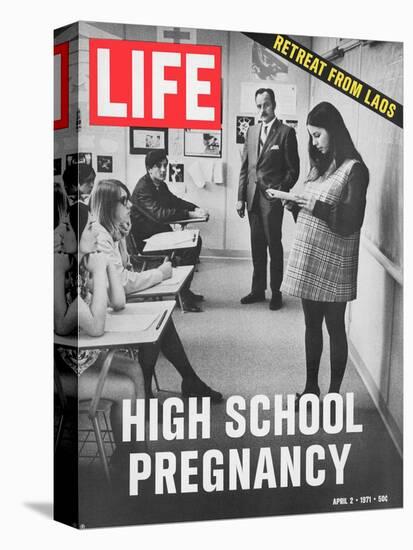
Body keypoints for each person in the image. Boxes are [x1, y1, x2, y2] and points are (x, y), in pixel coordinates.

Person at [88, 178, 223, 403]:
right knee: (157, 321)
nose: (130, 205)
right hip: (102, 312)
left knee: (162, 320)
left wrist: (122, 235)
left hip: (113, 301)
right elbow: (122, 283)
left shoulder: (111, 229)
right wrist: (160, 274)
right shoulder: (100, 236)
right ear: (108, 205)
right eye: (124, 201)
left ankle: (168, 387)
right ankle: (169, 387)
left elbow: (124, 271)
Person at [281, 101, 369, 405]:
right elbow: (310, 215)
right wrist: (295, 206)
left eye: (317, 135)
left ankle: (333, 395)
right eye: (311, 136)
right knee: (311, 325)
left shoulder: (355, 170)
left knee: (334, 327)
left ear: (334, 131)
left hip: (335, 263)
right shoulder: (318, 168)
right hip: (311, 257)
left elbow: (349, 220)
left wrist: (312, 205)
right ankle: (310, 389)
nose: (314, 142)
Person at [54, 182, 143, 471]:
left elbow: (118, 302)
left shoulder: (82, 265)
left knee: (134, 369)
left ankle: (135, 450)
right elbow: (95, 328)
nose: (97, 233)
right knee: (127, 387)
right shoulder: (59, 273)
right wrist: (99, 274)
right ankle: (128, 458)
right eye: (90, 229)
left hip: (80, 361)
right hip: (60, 373)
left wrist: (114, 247)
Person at [237, 88, 300, 310]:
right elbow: (245, 168)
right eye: (259, 106)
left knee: (274, 247)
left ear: (274, 104)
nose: (262, 110)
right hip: (252, 200)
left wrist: (280, 190)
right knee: (257, 247)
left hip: (272, 202)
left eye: (266, 105)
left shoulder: (286, 133)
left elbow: (293, 170)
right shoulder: (251, 131)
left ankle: (276, 292)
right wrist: (239, 198)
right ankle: (257, 290)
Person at [130, 149, 208, 312]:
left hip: (158, 236)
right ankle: (183, 295)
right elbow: (160, 215)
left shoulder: (160, 185)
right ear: (149, 168)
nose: (164, 169)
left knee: (195, 242)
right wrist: (190, 214)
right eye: (159, 166)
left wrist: (196, 208)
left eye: (165, 165)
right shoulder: (143, 188)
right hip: (146, 242)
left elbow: (175, 201)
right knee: (189, 247)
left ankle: (184, 290)